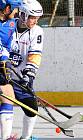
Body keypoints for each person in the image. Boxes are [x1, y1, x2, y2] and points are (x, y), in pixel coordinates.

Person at [9, 0, 44, 139]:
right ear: (22, 15)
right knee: (6, 106)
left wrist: (29, 75)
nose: (35, 21)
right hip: (4, 76)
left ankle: (26, 137)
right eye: (32, 17)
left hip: (20, 78)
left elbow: (35, 55)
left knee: (32, 108)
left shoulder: (37, 31)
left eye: (37, 18)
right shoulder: (8, 26)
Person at [0, 0, 23, 139]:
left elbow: (7, 46)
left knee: (8, 96)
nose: (17, 13)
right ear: (7, 8)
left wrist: (6, 60)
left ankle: (5, 137)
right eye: (15, 9)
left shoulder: (12, 23)